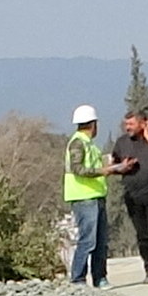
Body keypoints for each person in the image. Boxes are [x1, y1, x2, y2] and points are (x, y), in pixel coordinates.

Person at [110, 108, 148, 281]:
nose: (127, 127)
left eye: (131, 124)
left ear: (142, 124)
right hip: (133, 195)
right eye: (126, 124)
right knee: (141, 233)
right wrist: (123, 167)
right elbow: (113, 165)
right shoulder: (122, 143)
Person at [62, 104, 110, 285]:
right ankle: (78, 278)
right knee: (88, 240)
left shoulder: (89, 144)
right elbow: (78, 169)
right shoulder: (77, 143)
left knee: (100, 242)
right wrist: (103, 171)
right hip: (83, 198)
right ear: (93, 124)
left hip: (96, 195)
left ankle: (100, 278)